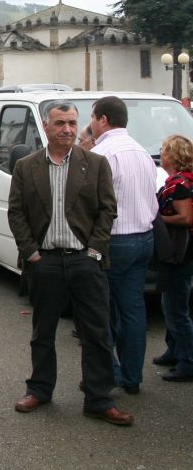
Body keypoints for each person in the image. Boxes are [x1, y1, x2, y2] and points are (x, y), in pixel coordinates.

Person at [8, 100, 134, 426]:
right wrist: (31, 252)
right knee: (43, 332)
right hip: (45, 262)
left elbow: (108, 211)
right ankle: (40, 390)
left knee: (96, 335)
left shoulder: (95, 164)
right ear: (46, 127)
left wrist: (94, 252)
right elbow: (17, 213)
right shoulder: (27, 166)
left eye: (73, 123)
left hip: (84, 262)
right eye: (60, 123)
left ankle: (99, 399)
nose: (67, 129)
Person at [91, 96, 158, 394]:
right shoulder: (142, 151)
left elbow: (95, 203)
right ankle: (132, 376)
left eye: (93, 118)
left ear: (103, 119)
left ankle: (109, 371)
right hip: (144, 237)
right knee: (133, 309)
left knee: (100, 310)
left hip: (115, 240)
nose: (91, 124)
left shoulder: (103, 153)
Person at [155, 134, 193, 382]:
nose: (161, 154)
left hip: (180, 251)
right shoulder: (178, 181)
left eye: (164, 150)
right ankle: (174, 349)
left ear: (174, 156)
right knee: (169, 301)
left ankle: (188, 361)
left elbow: (186, 218)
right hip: (177, 251)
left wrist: (157, 220)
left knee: (176, 308)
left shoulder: (180, 185)